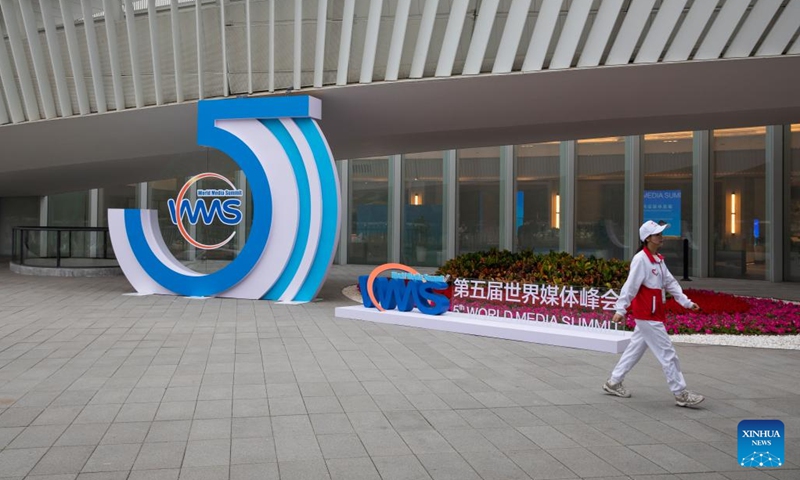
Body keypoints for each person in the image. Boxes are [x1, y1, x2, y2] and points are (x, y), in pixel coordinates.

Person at [602, 220, 705, 407]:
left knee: (634, 350)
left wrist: (687, 302)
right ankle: (680, 393)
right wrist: (621, 309)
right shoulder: (641, 259)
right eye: (657, 234)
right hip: (647, 315)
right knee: (668, 353)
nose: (661, 236)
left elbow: (671, 282)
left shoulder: (657, 260)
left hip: (652, 313)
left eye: (660, 234)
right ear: (647, 238)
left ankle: (613, 382)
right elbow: (630, 286)